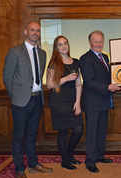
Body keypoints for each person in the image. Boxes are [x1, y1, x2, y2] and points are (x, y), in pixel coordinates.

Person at [3, 22, 53, 178]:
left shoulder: (42, 53)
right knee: (19, 136)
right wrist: (16, 96)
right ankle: (19, 169)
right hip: (21, 101)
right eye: (32, 30)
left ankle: (33, 164)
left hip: (37, 99)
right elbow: (7, 77)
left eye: (38, 30)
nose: (35, 33)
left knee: (32, 135)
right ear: (26, 32)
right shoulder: (15, 51)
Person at [80, 30, 121, 173]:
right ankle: (90, 161)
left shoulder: (105, 57)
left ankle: (99, 155)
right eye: (95, 41)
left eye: (100, 41)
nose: (98, 44)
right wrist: (108, 87)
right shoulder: (85, 58)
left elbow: (110, 76)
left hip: (104, 100)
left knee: (102, 131)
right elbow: (89, 82)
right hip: (92, 102)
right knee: (92, 132)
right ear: (90, 43)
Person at [46, 36, 84, 170]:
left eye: (65, 44)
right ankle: (65, 160)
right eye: (60, 45)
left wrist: (78, 102)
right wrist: (66, 78)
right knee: (63, 131)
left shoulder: (76, 62)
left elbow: (78, 84)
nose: (63, 47)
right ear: (56, 48)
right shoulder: (53, 63)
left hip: (72, 101)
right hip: (58, 101)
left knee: (79, 129)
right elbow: (49, 85)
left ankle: (69, 155)